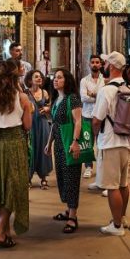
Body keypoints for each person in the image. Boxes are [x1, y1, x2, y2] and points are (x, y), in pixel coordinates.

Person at [0, 60, 33, 249]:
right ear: (15, 76)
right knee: (13, 188)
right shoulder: (22, 97)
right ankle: (1, 231)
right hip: (14, 143)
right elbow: (27, 126)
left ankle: (3, 229)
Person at [92, 51, 130, 236]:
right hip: (127, 141)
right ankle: (122, 218)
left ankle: (116, 226)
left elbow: (96, 119)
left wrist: (96, 137)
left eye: (105, 63)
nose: (103, 66)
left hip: (110, 142)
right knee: (123, 184)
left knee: (112, 186)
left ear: (111, 66)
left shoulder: (107, 90)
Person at [45, 68, 83, 234]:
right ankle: (69, 209)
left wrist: (75, 142)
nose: (55, 80)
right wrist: (49, 143)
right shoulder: (56, 99)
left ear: (66, 81)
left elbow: (78, 121)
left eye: (59, 78)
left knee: (71, 178)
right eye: (54, 78)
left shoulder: (72, 98)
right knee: (62, 177)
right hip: (59, 144)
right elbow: (54, 123)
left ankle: (73, 216)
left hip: (69, 143)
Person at [25, 69, 52, 189]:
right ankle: (28, 178)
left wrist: (47, 109)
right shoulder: (25, 93)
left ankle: (44, 178)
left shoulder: (45, 92)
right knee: (30, 150)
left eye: (40, 76)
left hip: (42, 123)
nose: (39, 78)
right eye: (36, 77)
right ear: (30, 80)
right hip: (31, 123)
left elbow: (50, 106)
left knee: (43, 149)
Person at [79, 54, 105, 182]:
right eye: (92, 62)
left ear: (101, 64)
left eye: (97, 62)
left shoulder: (105, 80)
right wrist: (97, 96)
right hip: (87, 115)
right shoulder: (84, 81)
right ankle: (88, 167)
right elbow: (83, 98)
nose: (95, 64)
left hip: (101, 115)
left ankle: (101, 168)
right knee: (88, 142)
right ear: (89, 64)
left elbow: (105, 98)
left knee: (101, 142)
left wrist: (93, 94)